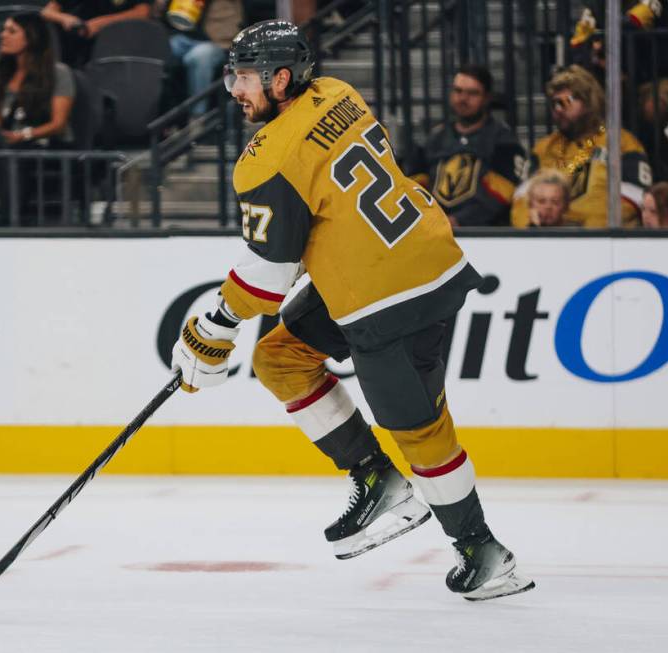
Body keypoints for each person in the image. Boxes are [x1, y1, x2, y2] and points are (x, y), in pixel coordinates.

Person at [170, 20, 534, 602]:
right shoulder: (338, 93)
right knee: (280, 358)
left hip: (390, 298)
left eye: (241, 77)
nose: (232, 89)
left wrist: (212, 326)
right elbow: (315, 226)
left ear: (280, 78)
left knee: (420, 430)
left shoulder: (266, 159)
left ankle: (485, 554)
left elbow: (269, 271)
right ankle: (376, 478)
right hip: (399, 261)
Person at [510, 65, 652, 228]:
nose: (558, 110)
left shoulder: (621, 142)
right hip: (549, 240)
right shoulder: (543, 148)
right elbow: (520, 200)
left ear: (588, 102)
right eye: (554, 104)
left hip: (603, 243)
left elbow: (635, 198)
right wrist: (531, 228)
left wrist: (584, 232)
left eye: (565, 102)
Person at [404, 64, 525, 227]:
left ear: (487, 97)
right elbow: (413, 185)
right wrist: (429, 217)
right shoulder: (433, 138)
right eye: (458, 91)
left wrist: (459, 220)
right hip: (433, 230)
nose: (463, 98)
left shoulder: (504, 140)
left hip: (486, 236)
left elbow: (501, 194)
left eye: (472, 93)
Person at [0, 12, 74, 148]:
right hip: (9, 152)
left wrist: (24, 135)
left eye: (12, 31)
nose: (3, 35)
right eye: (4, 30)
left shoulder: (58, 73)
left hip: (51, 152)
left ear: (32, 37)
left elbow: (59, 124)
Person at [157, 0, 241, 117]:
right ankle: (161, 115)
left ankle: (197, 117)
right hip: (182, 36)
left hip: (217, 42)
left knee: (199, 56)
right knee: (160, 48)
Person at [40, 0, 152, 66]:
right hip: (74, 47)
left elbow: (143, 12)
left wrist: (101, 24)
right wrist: (65, 18)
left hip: (117, 49)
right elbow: (47, 12)